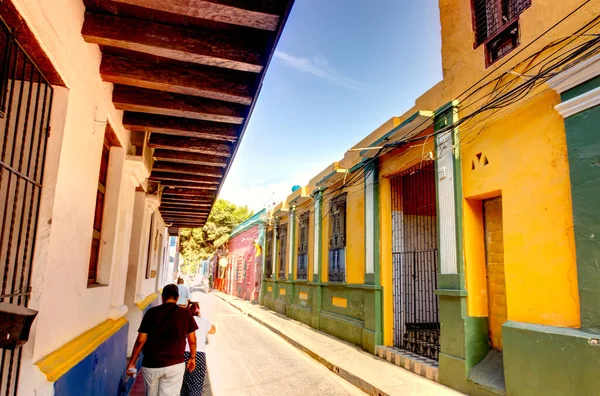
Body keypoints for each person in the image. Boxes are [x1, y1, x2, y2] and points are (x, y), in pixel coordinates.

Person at [127, 284, 198, 396]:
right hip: (174, 365)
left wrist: (132, 362)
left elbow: (141, 340)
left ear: (162, 297)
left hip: (151, 364)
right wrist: (192, 357)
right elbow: (192, 340)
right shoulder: (185, 314)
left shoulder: (151, 313)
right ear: (178, 298)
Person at [181, 302, 215, 396]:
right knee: (196, 384)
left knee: (182, 384)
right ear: (198, 311)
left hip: (182, 354)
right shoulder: (203, 321)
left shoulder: (183, 321)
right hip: (199, 354)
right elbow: (213, 330)